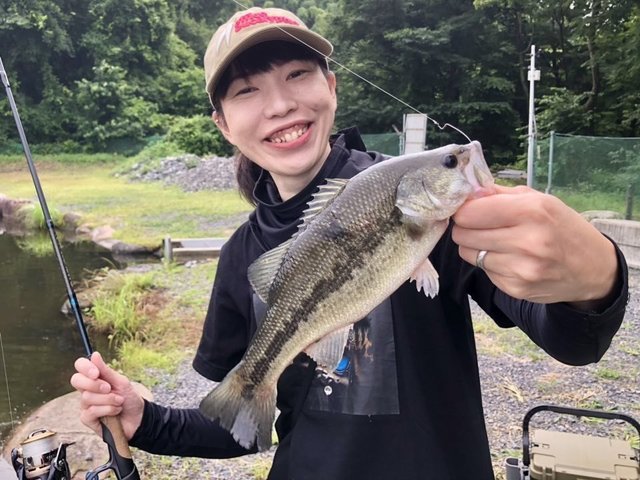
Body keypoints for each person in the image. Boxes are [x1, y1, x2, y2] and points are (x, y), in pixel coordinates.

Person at [70, 6, 628, 479]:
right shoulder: (243, 253)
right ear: (223, 124)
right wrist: (146, 419)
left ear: (331, 88)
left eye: (297, 74)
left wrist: (594, 281)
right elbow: (243, 425)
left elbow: (571, 341)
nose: (280, 104)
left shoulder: (439, 214)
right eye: (247, 90)